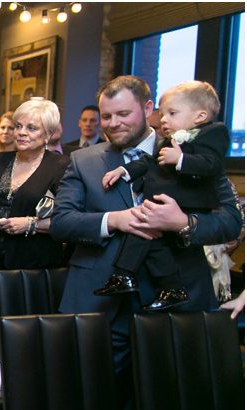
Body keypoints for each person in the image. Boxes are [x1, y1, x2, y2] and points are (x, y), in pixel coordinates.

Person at [51, 75, 242, 410]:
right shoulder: (84, 160)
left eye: (123, 114)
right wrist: (114, 221)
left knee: (169, 402)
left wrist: (182, 223)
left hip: (173, 296)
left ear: (148, 109)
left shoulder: (191, 150)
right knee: (97, 400)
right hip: (102, 297)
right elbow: (62, 221)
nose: (113, 123)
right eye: (106, 116)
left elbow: (229, 221)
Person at [95, 81, 229, 311]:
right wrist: (125, 171)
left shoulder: (212, 134)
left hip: (189, 208)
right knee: (146, 237)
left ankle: (142, 280)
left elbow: (212, 167)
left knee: (144, 230)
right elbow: (150, 161)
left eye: (172, 113)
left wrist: (183, 221)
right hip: (155, 215)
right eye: (163, 113)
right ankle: (146, 282)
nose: (164, 119)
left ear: (200, 116)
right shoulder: (168, 141)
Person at [0, 99, 69, 271]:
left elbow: (67, 220)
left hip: (34, 265)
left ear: (48, 134)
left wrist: (30, 224)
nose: (21, 132)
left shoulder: (61, 166)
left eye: (31, 128)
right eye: (18, 126)